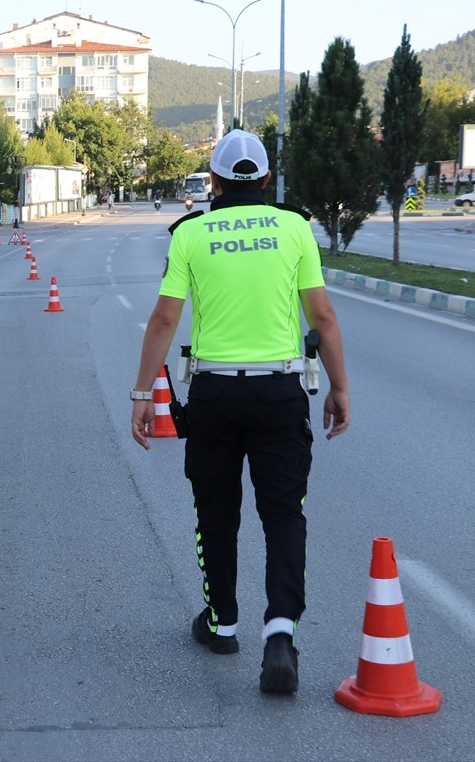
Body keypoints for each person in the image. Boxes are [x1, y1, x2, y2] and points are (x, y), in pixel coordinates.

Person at [130, 129, 350, 695]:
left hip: (215, 396)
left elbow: (162, 321)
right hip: (280, 393)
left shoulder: (190, 234)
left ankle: (221, 621)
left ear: (214, 180)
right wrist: (340, 387)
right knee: (283, 514)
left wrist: (139, 395)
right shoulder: (295, 227)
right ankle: (280, 633)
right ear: (269, 179)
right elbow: (322, 318)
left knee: (216, 510)